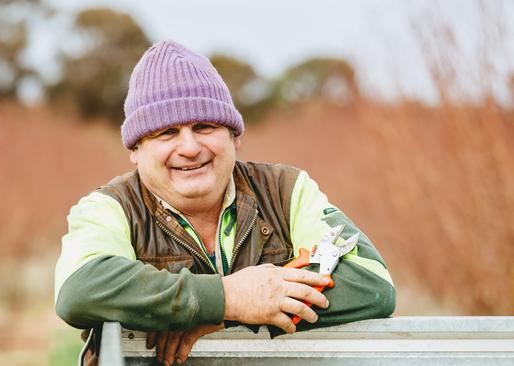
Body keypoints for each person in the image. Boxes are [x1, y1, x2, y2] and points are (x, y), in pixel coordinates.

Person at [55, 39, 395, 365]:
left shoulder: (287, 190)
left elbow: (369, 283)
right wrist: (227, 297)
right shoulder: (108, 207)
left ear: (235, 135)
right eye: (166, 133)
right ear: (135, 150)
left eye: (204, 126)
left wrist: (227, 316)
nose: (189, 147)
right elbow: (80, 289)